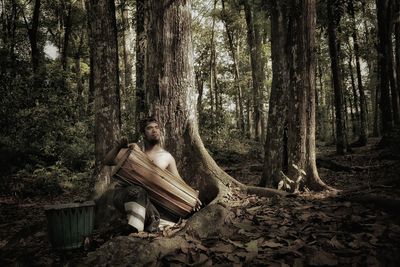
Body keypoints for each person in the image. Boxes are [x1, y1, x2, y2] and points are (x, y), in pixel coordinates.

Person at [95, 116, 201, 234]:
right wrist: (118, 147)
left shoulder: (167, 157)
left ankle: (139, 228)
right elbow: (107, 161)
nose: (154, 130)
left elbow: (178, 180)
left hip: (152, 202)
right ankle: (136, 231)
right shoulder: (134, 152)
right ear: (144, 134)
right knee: (137, 192)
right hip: (130, 195)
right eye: (149, 128)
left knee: (157, 208)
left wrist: (192, 195)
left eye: (156, 127)